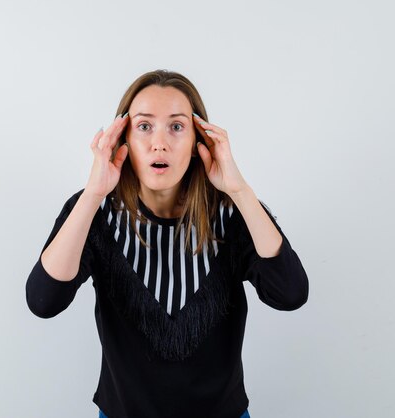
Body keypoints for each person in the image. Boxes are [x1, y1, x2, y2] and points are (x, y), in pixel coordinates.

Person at [25, 69, 309, 418]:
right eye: (144, 126)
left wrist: (239, 190)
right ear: (123, 137)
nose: (159, 142)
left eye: (176, 127)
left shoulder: (233, 212)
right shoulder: (94, 212)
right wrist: (93, 192)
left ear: (196, 143)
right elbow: (44, 300)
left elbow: (291, 294)